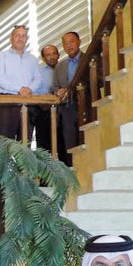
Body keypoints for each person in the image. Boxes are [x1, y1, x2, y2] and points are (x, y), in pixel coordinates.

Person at [0, 25, 41, 141]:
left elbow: (38, 79)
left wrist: (29, 89)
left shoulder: (32, 59)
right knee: (5, 142)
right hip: (7, 103)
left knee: (26, 143)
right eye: (17, 35)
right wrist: (19, 89)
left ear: (26, 39)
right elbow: (0, 79)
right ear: (11, 38)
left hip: (28, 103)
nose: (20, 38)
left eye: (23, 36)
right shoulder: (1, 57)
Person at [53, 31, 84, 166]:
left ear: (79, 42)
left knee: (85, 140)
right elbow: (54, 87)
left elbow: (99, 80)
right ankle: (72, 171)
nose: (69, 45)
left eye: (71, 42)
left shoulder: (89, 59)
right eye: (66, 43)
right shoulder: (60, 66)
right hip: (66, 109)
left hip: (85, 105)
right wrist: (58, 91)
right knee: (69, 143)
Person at [33, 44, 60, 154]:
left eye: (54, 54)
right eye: (48, 55)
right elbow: (33, 93)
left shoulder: (64, 68)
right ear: (44, 58)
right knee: (45, 147)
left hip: (62, 110)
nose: (51, 57)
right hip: (44, 111)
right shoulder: (39, 73)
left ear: (58, 55)